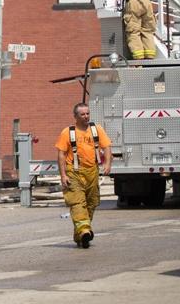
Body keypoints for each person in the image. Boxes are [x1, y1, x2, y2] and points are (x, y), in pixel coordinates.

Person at [55, 102, 111, 248]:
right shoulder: (68, 132)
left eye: (87, 113)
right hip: (73, 172)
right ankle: (85, 230)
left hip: (92, 171)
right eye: (82, 114)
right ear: (75, 116)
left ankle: (81, 233)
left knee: (91, 203)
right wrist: (63, 175)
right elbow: (61, 154)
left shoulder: (96, 129)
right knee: (77, 203)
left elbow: (106, 147)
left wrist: (107, 164)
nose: (86, 116)